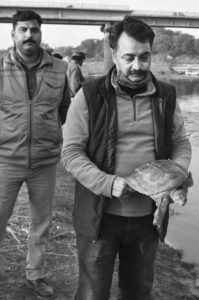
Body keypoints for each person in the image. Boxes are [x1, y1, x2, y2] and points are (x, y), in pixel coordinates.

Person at [61, 16, 192, 300]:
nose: (137, 66)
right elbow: (71, 153)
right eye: (129, 57)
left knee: (137, 293)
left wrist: (177, 174)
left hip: (148, 219)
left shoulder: (166, 95)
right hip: (100, 217)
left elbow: (181, 141)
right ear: (114, 54)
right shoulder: (89, 95)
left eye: (144, 57)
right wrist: (109, 184)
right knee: (92, 294)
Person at [0, 10, 70, 300]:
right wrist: (7, 134)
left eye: (34, 30)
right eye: (23, 30)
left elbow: (63, 109)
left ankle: (35, 275)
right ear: (13, 34)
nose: (29, 35)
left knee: (41, 222)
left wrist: (45, 134)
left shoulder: (60, 69)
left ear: (40, 34)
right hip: (7, 160)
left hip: (45, 162)